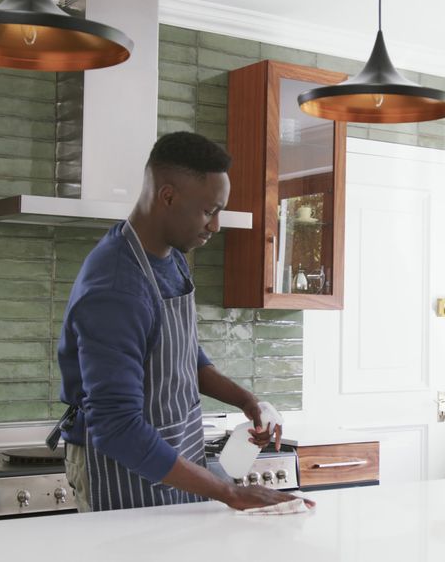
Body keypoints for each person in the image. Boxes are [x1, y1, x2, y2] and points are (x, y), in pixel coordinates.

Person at [55, 131, 312, 512]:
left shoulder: (169, 255)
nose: (216, 225)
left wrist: (245, 400)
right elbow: (116, 428)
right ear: (168, 196)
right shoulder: (115, 287)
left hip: (176, 452)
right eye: (209, 211)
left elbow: (180, 352)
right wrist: (228, 492)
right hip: (121, 465)